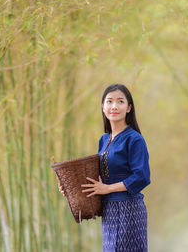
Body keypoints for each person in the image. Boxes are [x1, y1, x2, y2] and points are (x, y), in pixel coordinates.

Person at [58, 83, 151, 252]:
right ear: (103, 107)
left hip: (128, 209)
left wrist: (107, 188)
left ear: (129, 108)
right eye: (109, 101)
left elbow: (142, 176)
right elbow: (98, 178)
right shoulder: (104, 140)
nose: (114, 106)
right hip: (109, 211)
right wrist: (71, 188)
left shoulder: (135, 139)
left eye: (120, 101)